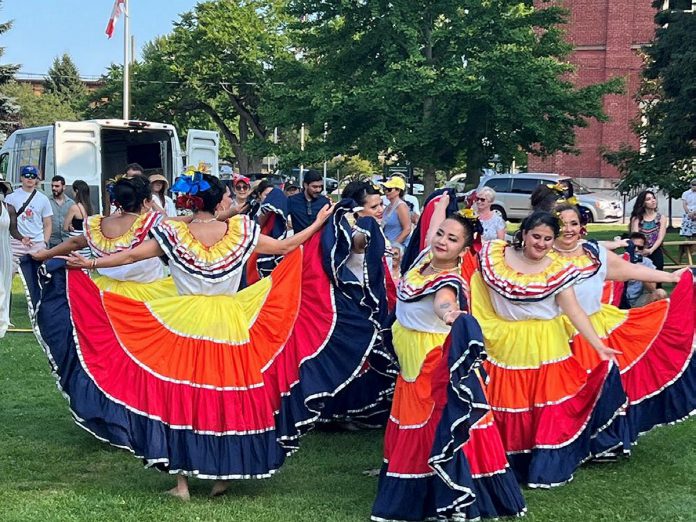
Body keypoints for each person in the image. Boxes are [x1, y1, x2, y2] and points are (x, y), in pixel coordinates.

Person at [24, 171, 376, 503]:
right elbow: (287, 248)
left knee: (184, 395)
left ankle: (182, 483)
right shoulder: (240, 231)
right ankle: (224, 476)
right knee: (229, 394)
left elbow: (130, 254)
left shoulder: (174, 234)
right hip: (231, 320)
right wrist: (318, 224)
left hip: (184, 321)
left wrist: (91, 266)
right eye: (224, 196)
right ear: (218, 202)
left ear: (191, 203)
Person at [372, 194, 526, 521]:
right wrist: (441, 205)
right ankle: (417, 483)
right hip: (411, 357)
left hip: (430, 361)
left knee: (434, 427)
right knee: (418, 424)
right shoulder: (427, 256)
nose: (442, 240)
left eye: (452, 239)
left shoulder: (448, 280)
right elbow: (429, 235)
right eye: (441, 233)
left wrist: (450, 315)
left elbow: (444, 302)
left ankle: (439, 494)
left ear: (463, 249)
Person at [467, 211, 627, 487]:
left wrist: (598, 345)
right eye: (536, 236)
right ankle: (506, 463)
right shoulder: (495, 256)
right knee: (509, 402)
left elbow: (574, 310)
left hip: (546, 344)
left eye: (548, 239)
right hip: (506, 343)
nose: (541, 244)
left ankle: (545, 466)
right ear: (524, 233)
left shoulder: (557, 269)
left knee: (547, 405)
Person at [551, 204, 695, 441]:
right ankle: (561, 437)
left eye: (573, 223)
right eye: (562, 224)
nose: (568, 229)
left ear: (582, 226)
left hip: (593, 325)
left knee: (599, 383)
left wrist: (670, 277)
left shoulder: (593, 251)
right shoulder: (542, 253)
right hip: (553, 330)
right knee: (561, 387)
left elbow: (630, 270)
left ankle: (598, 438)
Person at [32, 176, 175, 301]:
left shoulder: (101, 224)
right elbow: (184, 222)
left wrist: (46, 253)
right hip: (147, 292)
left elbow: (75, 242)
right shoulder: (151, 223)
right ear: (145, 202)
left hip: (108, 290)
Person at [6, 166, 52, 273]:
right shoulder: (11, 197)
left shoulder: (43, 199)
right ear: (21, 178)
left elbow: (48, 224)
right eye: (27, 176)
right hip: (15, 243)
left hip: (37, 242)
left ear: (36, 179)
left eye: (33, 176)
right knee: (8, 272)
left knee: (40, 274)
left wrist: (44, 242)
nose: (30, 179)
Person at [0, 177, 30, 338]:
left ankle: (3, 317)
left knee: (4, 283)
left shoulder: (9, 208)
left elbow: (13, 229)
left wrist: (22, 238)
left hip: (4, 250)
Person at [624, 232, 668, 307]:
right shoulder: (619, 260)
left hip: (639, 300)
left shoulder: (647, 262)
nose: (636, 250)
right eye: (633, 247)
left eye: (640, 247)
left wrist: (641, 273)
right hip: (620, 299)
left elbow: (652, 289)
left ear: (644, 247)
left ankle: (653, 317)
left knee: (660, 293)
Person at [629, 190, 667, 271]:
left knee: (657, 276)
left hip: (655, 250)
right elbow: (635, 238)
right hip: (639, 251)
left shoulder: (661, 218)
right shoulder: (637, 219)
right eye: (648, 199)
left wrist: (650, 250)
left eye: (653, 198)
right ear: (643, 203)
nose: (653, 200)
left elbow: (660, 238)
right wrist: (641, 250)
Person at [63, 180, 94, 259]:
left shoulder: (74, 208)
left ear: (76, 191)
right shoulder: (90, 208)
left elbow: (65, 227)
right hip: (86, 245)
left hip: (75, 244)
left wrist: (69, 226)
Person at [381, 176, 412, 252]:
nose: (386, 192)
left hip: (397, 250)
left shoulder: (401, 206)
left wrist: (394, 245)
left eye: (389, 189)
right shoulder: (388, 207)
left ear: (398, 191)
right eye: (385, 189)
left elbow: (407, 229)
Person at [48, 175, 75, 248]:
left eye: (57, 186)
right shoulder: (46, 202)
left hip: (67, 241)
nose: (54, 188)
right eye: (52, 186)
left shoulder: (71, 203)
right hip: (51, 242)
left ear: (64, 187)